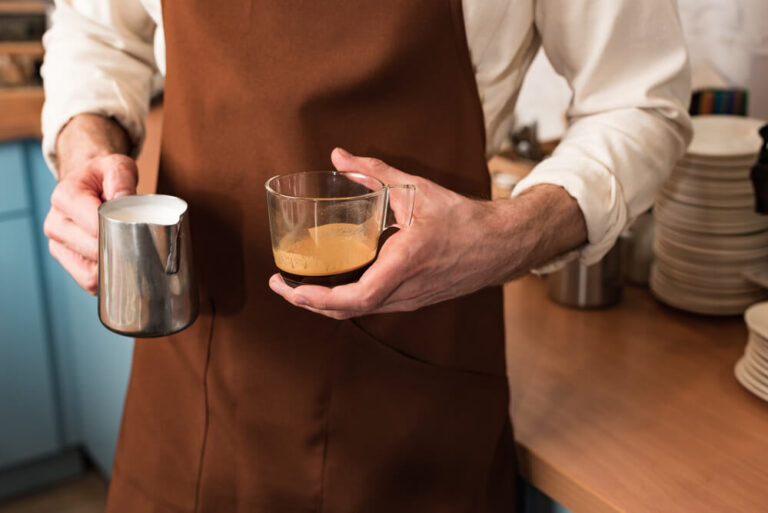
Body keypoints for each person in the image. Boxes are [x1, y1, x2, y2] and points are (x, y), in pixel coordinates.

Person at [41, 1, 691, 511]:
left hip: (421, 399)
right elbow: (97, 32)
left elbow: (638, 101)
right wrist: (85, 146)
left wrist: (508, 232)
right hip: (199, 383)